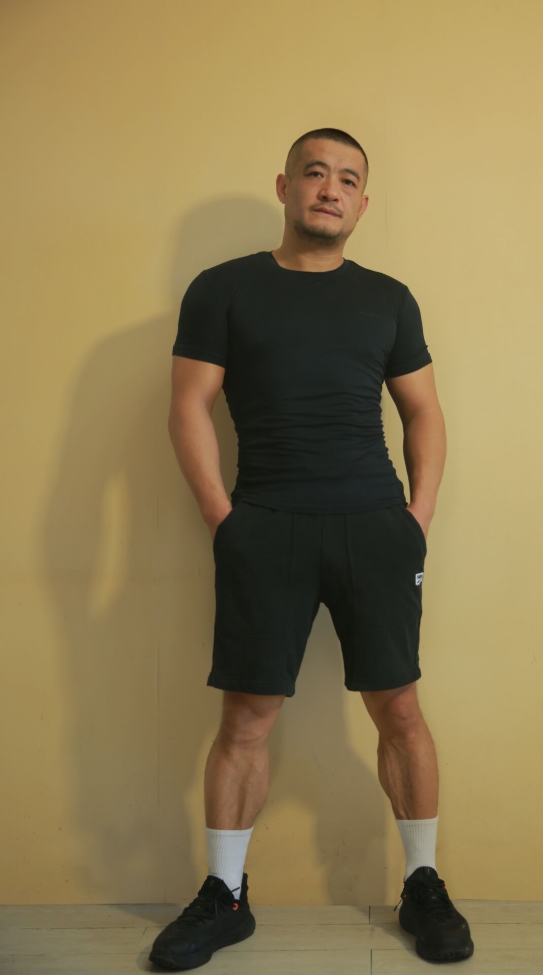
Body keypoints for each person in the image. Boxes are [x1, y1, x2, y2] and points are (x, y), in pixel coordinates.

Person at [149, 128, 474, 970]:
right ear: (286, 185)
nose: (332, 188)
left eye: (349, 179)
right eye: (317, 173)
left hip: (375, 524)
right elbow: (188, 406)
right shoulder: (223, 288)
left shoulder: (389, 298)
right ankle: (225, 894)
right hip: (266, 523)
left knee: (399, 709)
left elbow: (424, 411)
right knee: (246, 717)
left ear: (363, 203)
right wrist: (224, 517)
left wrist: (417, 515)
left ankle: (423, 883)